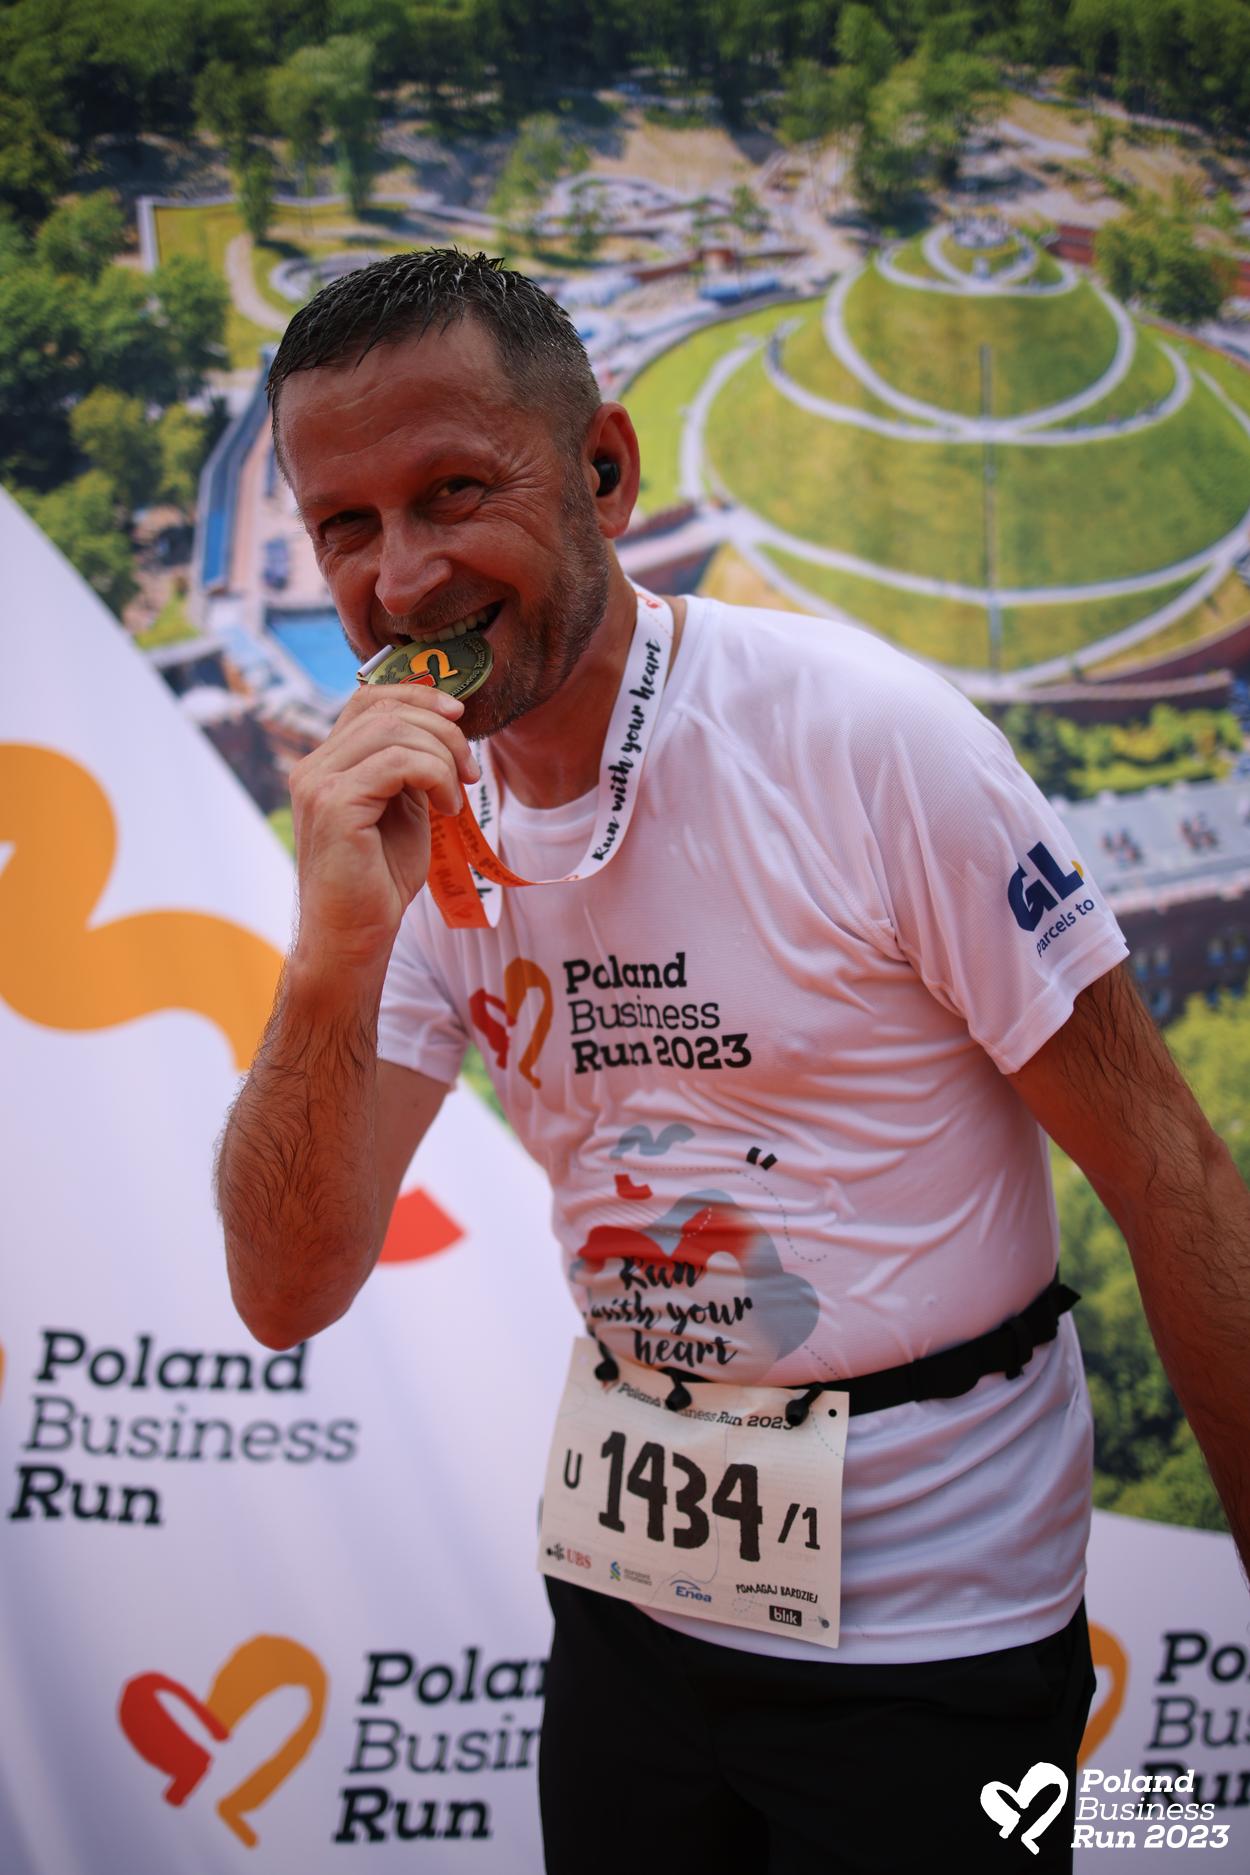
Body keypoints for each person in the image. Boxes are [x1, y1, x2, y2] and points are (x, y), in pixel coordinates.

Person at [217, 250, 1250, 1873]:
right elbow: (285, 1292)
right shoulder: (415, 830)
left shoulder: (865, 742)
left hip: (931, 1632)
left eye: (452, 492)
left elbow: (1167, 1171)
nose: (401, 578)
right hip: (628, 1604)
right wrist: (331, 953)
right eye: (345, 524)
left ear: (602, 472)